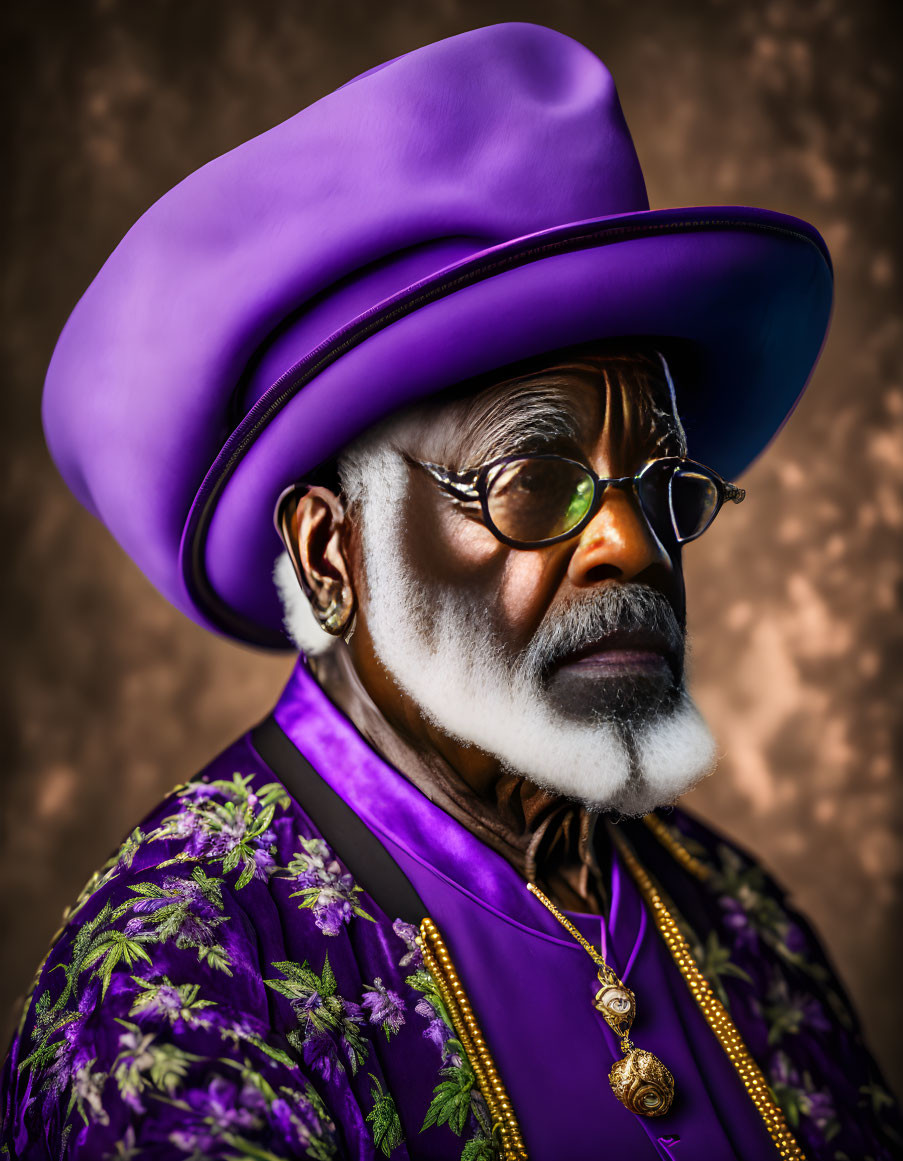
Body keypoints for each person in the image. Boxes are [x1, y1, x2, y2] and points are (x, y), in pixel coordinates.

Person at [1, 21, 899, 1161]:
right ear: (332, 556)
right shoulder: (176, 975)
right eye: (535, 482)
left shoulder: (740, 916)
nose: (632, 541)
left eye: (663, 486)